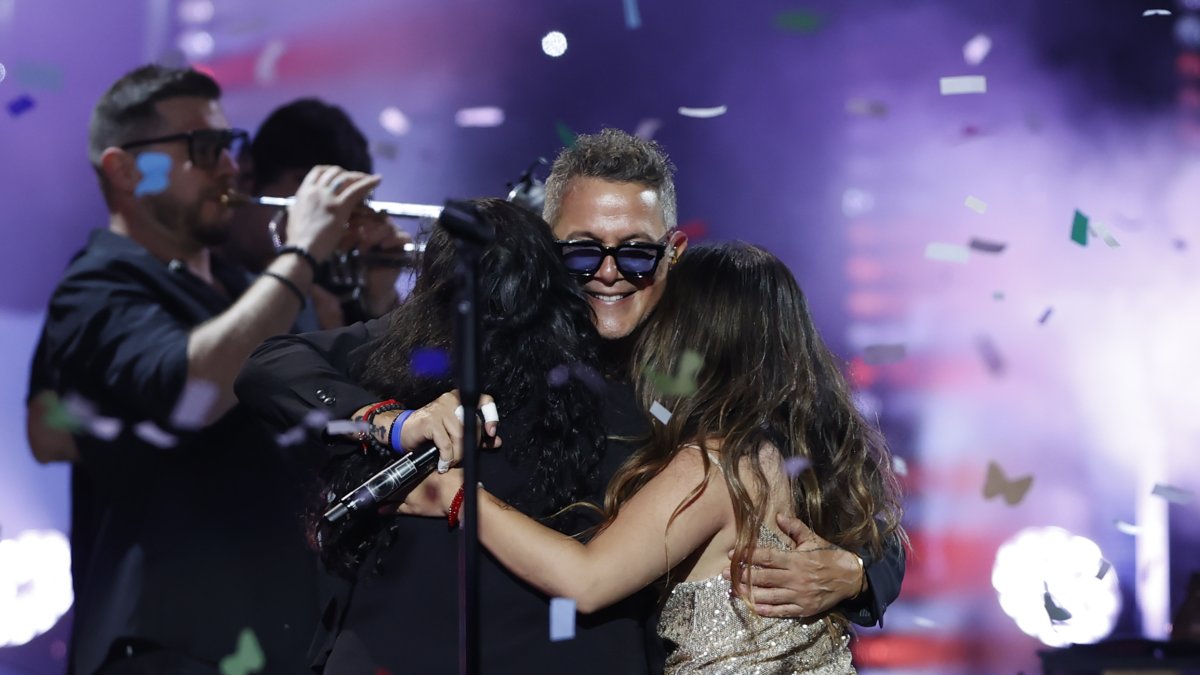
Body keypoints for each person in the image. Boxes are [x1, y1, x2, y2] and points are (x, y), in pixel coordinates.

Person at [234, 129, 904, 669]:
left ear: (673, 251)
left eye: (635, 254)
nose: (609, 274)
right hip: (412, 647)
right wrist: (395, 421)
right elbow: (271, 365)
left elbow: (830, 478)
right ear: (547, 248)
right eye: (582, 253)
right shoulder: (475, 331)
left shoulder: (701, 372)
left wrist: (857, 572)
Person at [406, 242, 907, 673]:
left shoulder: (718, 465)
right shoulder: (803, 453)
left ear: (693, 334)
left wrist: (459, 497)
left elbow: (589, 580)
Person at [30, 63, 380, 674]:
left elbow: (335, 418)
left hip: (279, 639)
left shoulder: (247, 289)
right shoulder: (96, 286)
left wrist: (374, 299)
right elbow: (191, 392)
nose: (228, 165)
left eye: (229, 143)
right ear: (124, 169)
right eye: (204, 147)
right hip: (171, 645)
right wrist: (300, 257)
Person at [218, 97, 410, 329]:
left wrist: (380, 304)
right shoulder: (202, 274)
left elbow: (429, 363)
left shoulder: (328, 281)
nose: (329, 225)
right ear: (248, 176)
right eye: (314, 202)